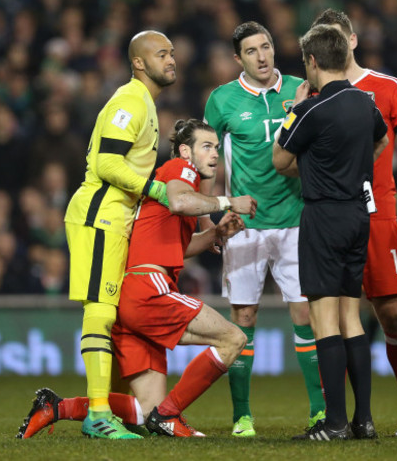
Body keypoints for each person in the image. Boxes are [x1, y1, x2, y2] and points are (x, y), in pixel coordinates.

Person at [18, 119, 258, 438]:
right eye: (206, 146)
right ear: (186, 151)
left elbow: (179, 245)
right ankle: (170, 417)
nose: (214, 154)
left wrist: (213, 233)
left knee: (146, 411)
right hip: (149, 289)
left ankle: (56, 407)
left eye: (216, 147)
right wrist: (229, 202)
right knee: (233, 338)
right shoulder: (179, 168)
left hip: (131, 296)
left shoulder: (181, 185)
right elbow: (179, 201)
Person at [312, 9, 397, 436]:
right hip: (329, 214)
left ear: (353, 40)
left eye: (339, 38)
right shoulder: (312, 91)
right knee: (332, 316)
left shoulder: (387, 88)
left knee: (393, 315)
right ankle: (339, 417)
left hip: (377, 212)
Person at [203, 21, 324, 437]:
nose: (262, 56)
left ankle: (320, 413)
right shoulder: (222, 100)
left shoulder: (300, 88)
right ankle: (242, 416)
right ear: (239, 59)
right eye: (252, 50)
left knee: (306, 315)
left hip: (296, 219)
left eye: (267, 46)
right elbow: (208, 162)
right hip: (245, 227)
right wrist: (213, 217)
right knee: (243, 319)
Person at [273, 24, 388, 441]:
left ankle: (335, 423)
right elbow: (381, 140)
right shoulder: (366, 103)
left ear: (313, 61)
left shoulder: (311, 110)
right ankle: (364, 420)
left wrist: (295, 108)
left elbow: (277, 158)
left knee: (324, 321)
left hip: (323, 216)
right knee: (351, 318)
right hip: (359, 215)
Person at [62, 30, 177, 439]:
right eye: (161, 53)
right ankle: (97, 415)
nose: (171, 59)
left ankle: (104, 411)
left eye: (172, 52)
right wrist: (158, 189)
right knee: (101, 311)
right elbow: (109, 163)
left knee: (108, 314)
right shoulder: (130, 100)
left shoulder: (143, 101)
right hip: (100, 215)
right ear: (139, 63)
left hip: (114, 217)